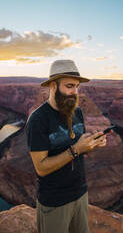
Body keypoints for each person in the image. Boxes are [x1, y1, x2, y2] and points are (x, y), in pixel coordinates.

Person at [26, 60, 107, 233]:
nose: (75, 92)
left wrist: (93, 143)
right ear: (53, 85)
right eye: (70, 86)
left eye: (77, 87)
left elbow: (80, 149)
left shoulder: (76, 112)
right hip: (55, 201)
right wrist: (76, 149)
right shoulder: (38, 119)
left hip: (80, 194)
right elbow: (41, 168)